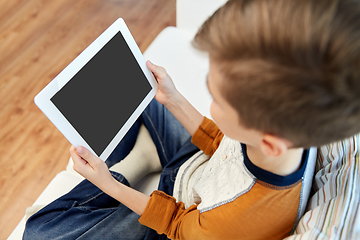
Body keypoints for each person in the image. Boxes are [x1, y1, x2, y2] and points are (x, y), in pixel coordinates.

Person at [23, 0, 360, 239]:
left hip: (180, 207)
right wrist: (173, 97)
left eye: (216, 97)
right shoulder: (280, 138)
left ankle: (125, 172)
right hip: (197, 164)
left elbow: (176, 224)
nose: (208, 95)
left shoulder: (242, 220)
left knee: (41, 230)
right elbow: (222, 145)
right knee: (142, 91)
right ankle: (142, 156)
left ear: (269, 141)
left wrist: (106, 184)